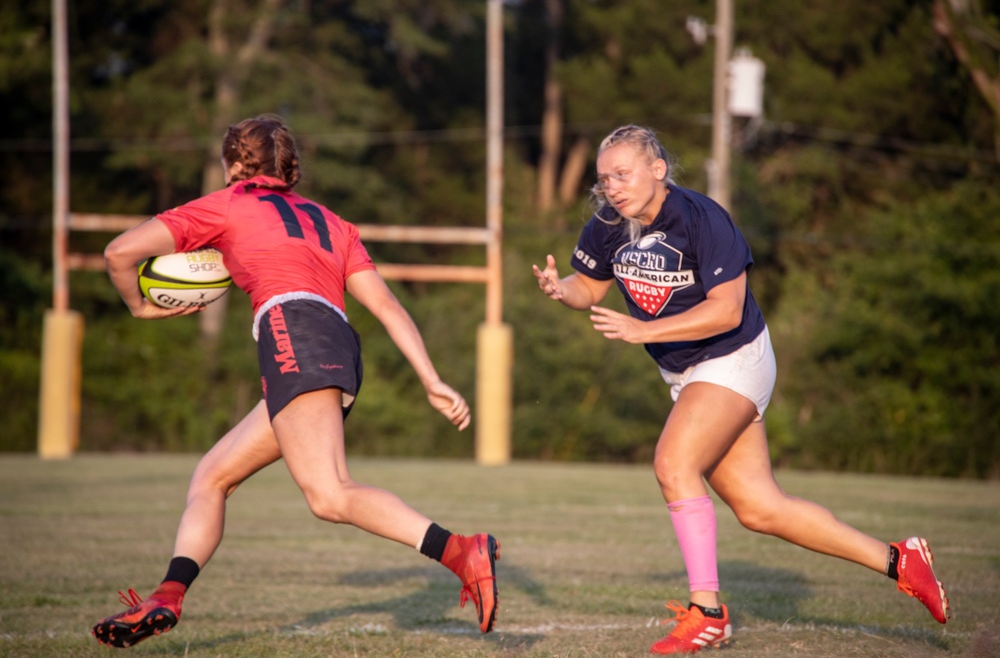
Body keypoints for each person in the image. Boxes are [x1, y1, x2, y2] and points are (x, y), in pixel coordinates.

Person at [532, 124, 949, 654]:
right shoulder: (609, 224)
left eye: (622, 173)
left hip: (735, 358)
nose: (611, 187)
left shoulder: (702, 217)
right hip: (689, 376)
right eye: (604, 178)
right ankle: (901, 561)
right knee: (760, 509)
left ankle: (707, 613)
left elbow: (726, 309)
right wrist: (559, 289)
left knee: (672, 466)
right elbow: (589, 288)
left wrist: (643, 330)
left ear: (658, 169)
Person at [92, 115, 500, 649]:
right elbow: (388, 306)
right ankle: (167, 595)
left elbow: (118, 253)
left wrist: (141, 308)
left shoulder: (227, 204)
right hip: (335, 342)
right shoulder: (333, 222)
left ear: (237, 165)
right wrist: (430, 378)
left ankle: (460, 550)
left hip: (294, 334)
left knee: (330, 495)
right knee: (212, 477)